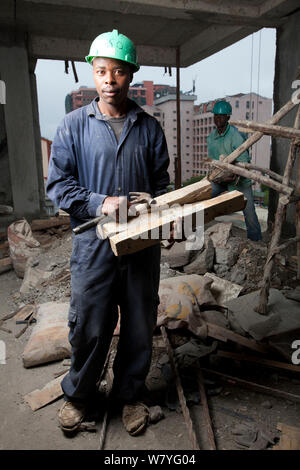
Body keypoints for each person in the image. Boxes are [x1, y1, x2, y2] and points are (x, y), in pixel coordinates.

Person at [46, 29, 170, 435]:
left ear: (130, 76)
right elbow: (59, 187)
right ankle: (80, 395)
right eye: (102, 72)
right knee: (89, 325)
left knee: (138, 324)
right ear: (92, 74)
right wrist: (103, 203)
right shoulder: (72, 127)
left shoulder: (149, 128)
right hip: (93, 245)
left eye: (118, 72)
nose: (110, 80)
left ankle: (129, 396)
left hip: (141, 247)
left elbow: (163, 185)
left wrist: (163, 214)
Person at [206, 100, 262, 241]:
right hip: (220, 178)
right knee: (202, 198)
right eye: (216, 116)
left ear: (228, 117)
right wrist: (217, 177)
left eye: (222, 116)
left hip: (238, 179)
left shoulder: (236, 137)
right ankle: (195, 235)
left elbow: (244, 163)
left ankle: (256, 242)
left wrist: (233, 176)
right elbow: (213, 162)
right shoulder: (211, 138)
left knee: (249, 211)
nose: (218, 119)